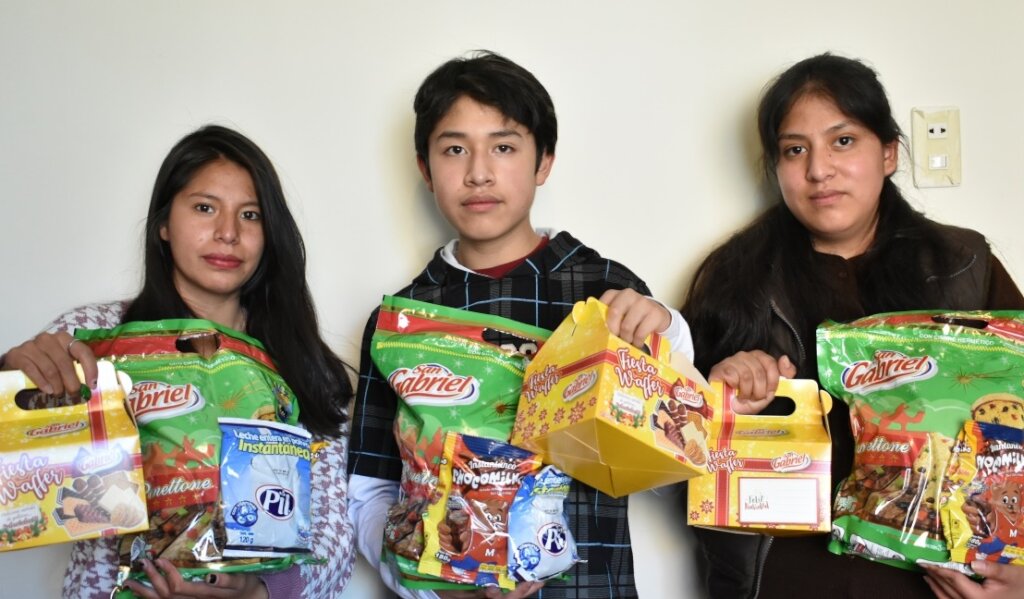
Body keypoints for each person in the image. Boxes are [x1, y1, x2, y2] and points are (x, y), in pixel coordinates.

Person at [347, 50, 693, 599]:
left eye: (504, 147)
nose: (478, 172)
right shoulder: (401, 320)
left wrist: (669, 333)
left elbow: (670, 468)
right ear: (425, 169)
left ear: (544, 162)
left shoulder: (605, 291)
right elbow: (369, 491)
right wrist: (433, 588)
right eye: (454, 149)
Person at [681, 53, 1024, 599]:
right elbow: (676, 453)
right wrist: (723, 401)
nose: (819, 170)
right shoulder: (733, 279)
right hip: (781, 582)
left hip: (944, 584)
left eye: (843, 141)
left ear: (888, 153)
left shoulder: (964, 266)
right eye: (795, 150)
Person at [1, 125, 355, 599]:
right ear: (164, 223)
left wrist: (260, 591)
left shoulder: (301, 366)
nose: (228, 233)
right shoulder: (93, 337)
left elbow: (333, 536)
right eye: (205, 208)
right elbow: (26, 488)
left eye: (250, 215)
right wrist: (12, 384)